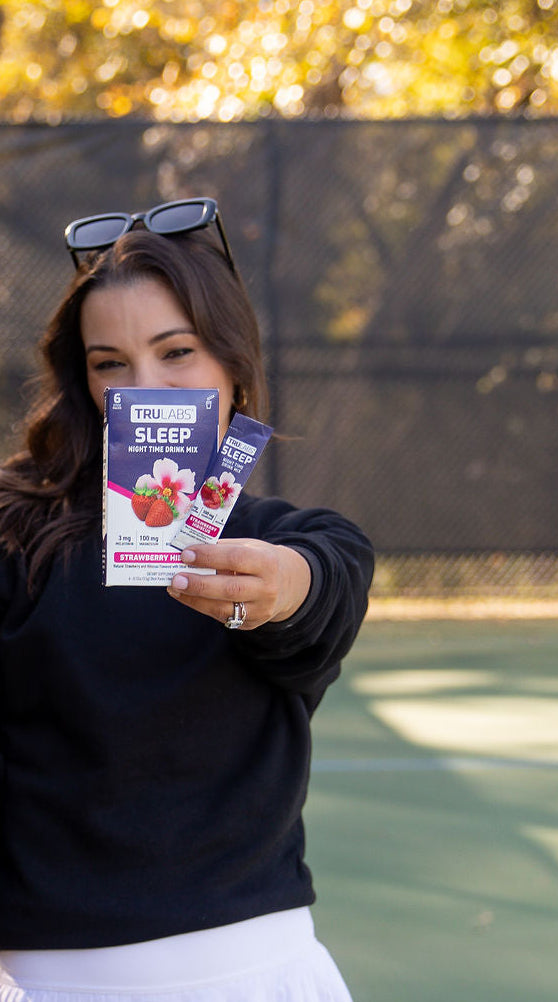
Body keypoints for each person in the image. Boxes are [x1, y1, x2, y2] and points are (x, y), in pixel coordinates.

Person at [0, 198, 374, 1001]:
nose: (144, 387)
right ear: (83, 382)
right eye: (109, 364)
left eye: (176, 351)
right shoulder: (14, 537)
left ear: (233, 368)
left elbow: (324, 592)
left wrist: (278, 591)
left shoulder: (298, 538)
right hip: (50, 979)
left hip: (257, 970)